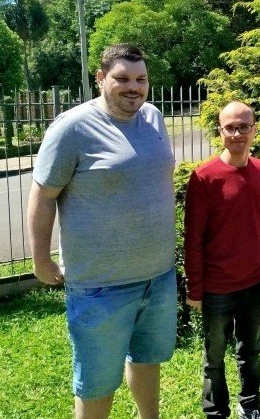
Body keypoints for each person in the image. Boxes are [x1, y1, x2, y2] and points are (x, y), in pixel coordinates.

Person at [28, 43, 177, 419]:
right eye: (122, 78)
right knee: (96, 383)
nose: (134, 87)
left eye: (141, 79)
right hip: (99, 285)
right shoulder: (72, 127)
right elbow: (43, 196)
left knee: (147, 361)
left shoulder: (153, 118)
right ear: (100, 79)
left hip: (158, 277)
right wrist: (41, 259)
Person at [183, 101, 260, 419]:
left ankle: (250, 405)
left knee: (251, 351)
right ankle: (216, 410)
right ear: (220, 131)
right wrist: (195, 289)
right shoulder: (204, 178)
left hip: (255, 283)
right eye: (230, 127)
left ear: (254, 129)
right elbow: (193, 239)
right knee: (215, 356)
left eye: (244, 127)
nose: (238, 133)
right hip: (217, 289)